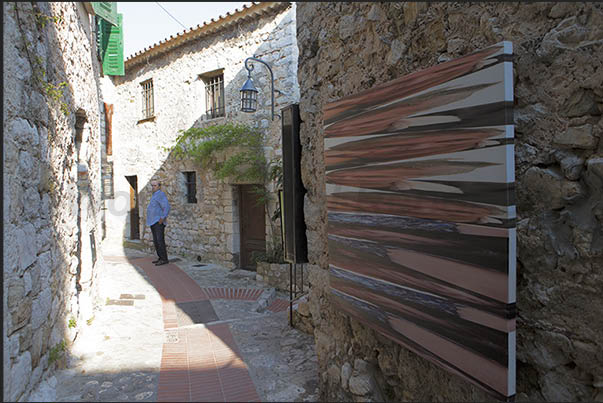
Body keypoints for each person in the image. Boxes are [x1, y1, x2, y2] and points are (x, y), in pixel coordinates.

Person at [147, 180, 171, 266]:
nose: (153, 187)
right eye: (152, 185)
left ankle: (164, 259)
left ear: (159, 186)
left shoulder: (161, 195)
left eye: (155, 185)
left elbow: (166, 207)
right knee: (156, 241)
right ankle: (160, 258)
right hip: (152, 221)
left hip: (158, 222)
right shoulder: (154, 195)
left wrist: (162, 218)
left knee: (160, 240)